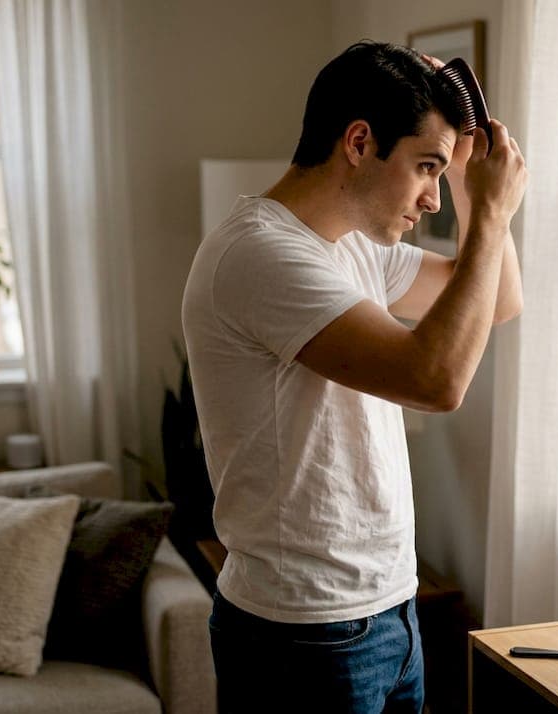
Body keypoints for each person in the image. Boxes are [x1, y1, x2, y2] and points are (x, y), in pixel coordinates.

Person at [181, 40, 526, 713]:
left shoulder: (354, 248)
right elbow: (435, 381)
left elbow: (498, 300)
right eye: (425, 167)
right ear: (360, 142)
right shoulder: (259, 253)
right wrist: (490, 214)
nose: (432, 199)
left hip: (388, 611)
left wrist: (465, 172)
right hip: (302, 635)